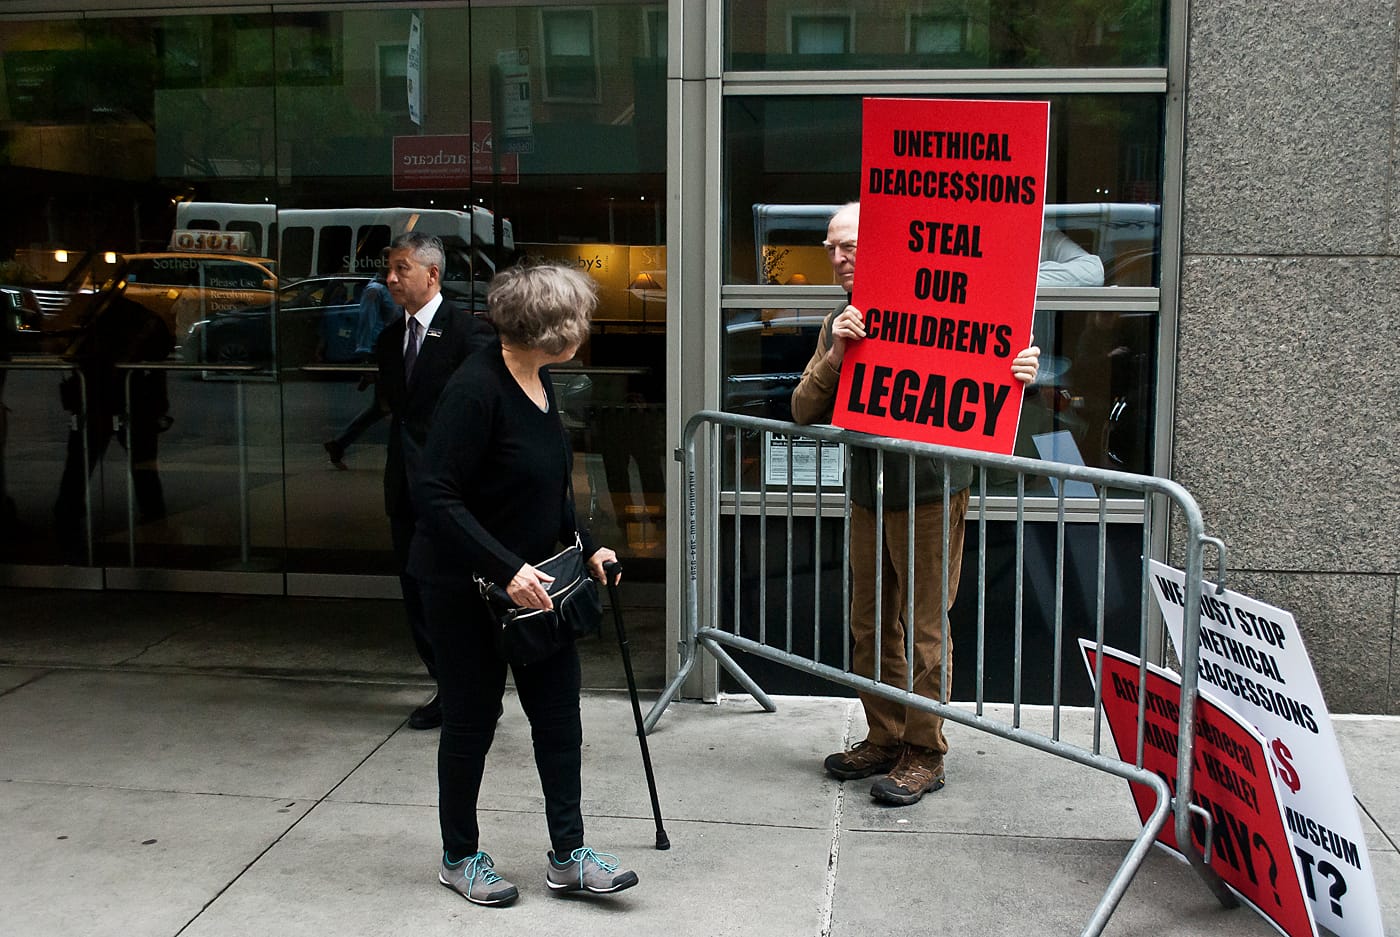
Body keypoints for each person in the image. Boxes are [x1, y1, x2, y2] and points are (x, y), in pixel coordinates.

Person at [790, 201, 1040, 806]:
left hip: (931, 495)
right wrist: (834, 354)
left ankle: (925, 751)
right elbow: (802, 410)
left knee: (927, 628)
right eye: (830, 247)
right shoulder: (838, 323)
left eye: (849, 245)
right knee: (870, 624)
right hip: (869, 496)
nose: (837, 257)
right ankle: (885, 735)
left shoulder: (948, 310)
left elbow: (985, 390)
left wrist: (1016, 375)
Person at [409, 263, 636, 907]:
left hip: (542, 588)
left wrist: (587, 548)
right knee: (473, 722)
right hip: (466, 588)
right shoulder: (475, 390)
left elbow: (545, 488)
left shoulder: (540, 380)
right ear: (551, 332)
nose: (586, 332)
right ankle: (459, 856)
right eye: (580, 323)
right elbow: (435, 493)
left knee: (560, 720)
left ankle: (569, 856)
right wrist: (505, 568)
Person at [374, 233, 496, 730]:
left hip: (452, 492)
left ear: (432, 274)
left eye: (401, 269)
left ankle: (470, 690)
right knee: (417, 594)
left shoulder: (469, 335)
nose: (390, 279)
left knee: (458, 596)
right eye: (389, 269)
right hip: (405, 488)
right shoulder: (389, 340)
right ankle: (449, 686)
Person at [53, 287, 174, 559]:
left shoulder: (87, 316)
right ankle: (153, 518)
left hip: (96, 398)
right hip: (133, 399)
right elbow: (161, 347)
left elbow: (63, 347)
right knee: (142, 465)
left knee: (81, 463)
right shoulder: (141, 318)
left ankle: (67, 517)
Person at [323, 271, 396, 470]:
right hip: (381, 355)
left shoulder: (388, 289)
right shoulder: (375, 291)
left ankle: (339, 444)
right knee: (392, 406)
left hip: (388, 353)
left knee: (381, 408)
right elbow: (367, 323)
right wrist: (367, 358)